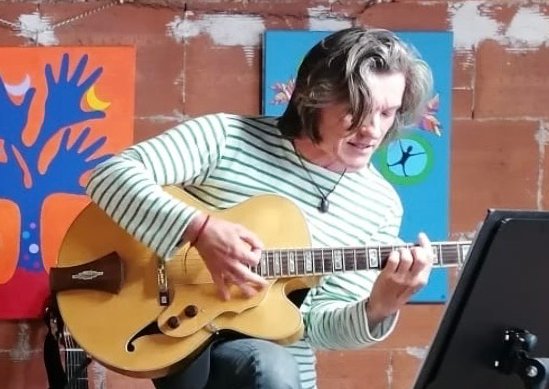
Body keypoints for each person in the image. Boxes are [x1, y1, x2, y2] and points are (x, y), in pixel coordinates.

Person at [84, 27, 436, 389]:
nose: (372, 130)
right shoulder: (225, 138)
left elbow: (315, 326)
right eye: (355, 111)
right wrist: (200, 230)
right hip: (183, 340)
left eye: (387, 113)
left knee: (273, 365)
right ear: (312, 97)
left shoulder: (379, 204)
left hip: (280, 373)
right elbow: (109, 175)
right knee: (268, 364)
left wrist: (378, 308)